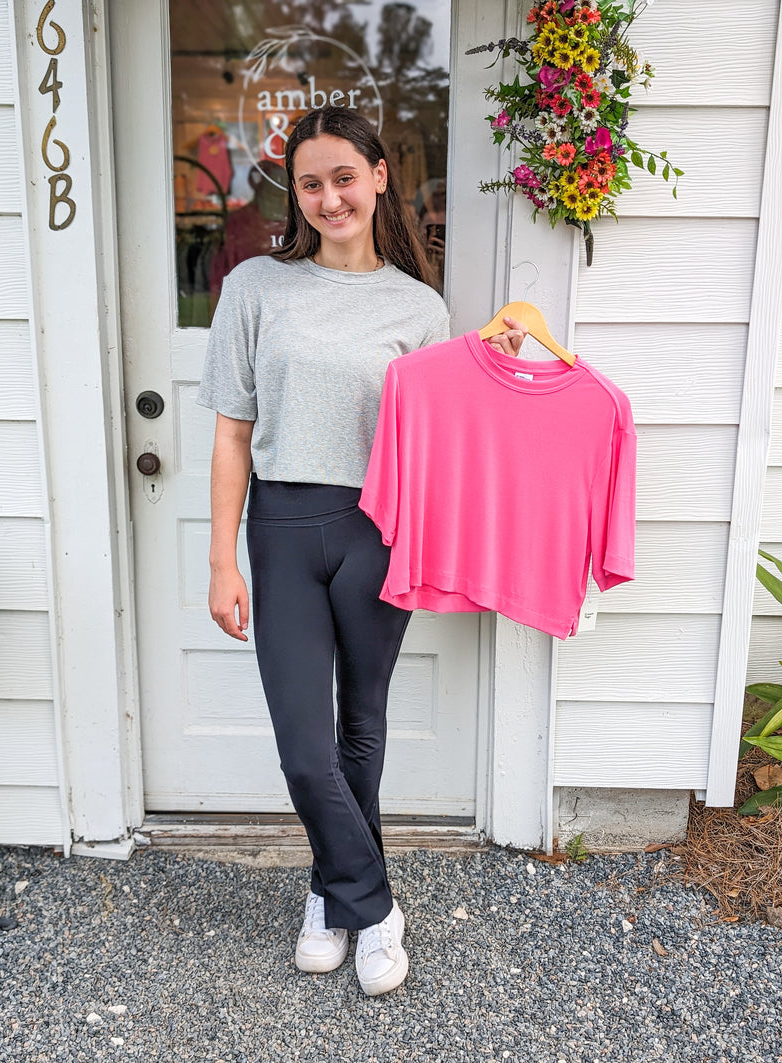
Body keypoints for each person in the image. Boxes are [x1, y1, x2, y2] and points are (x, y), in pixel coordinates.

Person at [198, 106, 526, 996]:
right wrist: (223, 558)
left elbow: (445, 432)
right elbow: (233, 433)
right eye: (311, 182)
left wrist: (492, 362)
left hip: (380, 529)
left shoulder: (420, 308)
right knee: (305, 746)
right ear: (295, 193)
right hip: (283, 527)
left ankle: (327, 892)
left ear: (380, 176)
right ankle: (374, 904)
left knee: (359, 732)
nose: (330, 196)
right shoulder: (255, 288)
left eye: (345, 176)